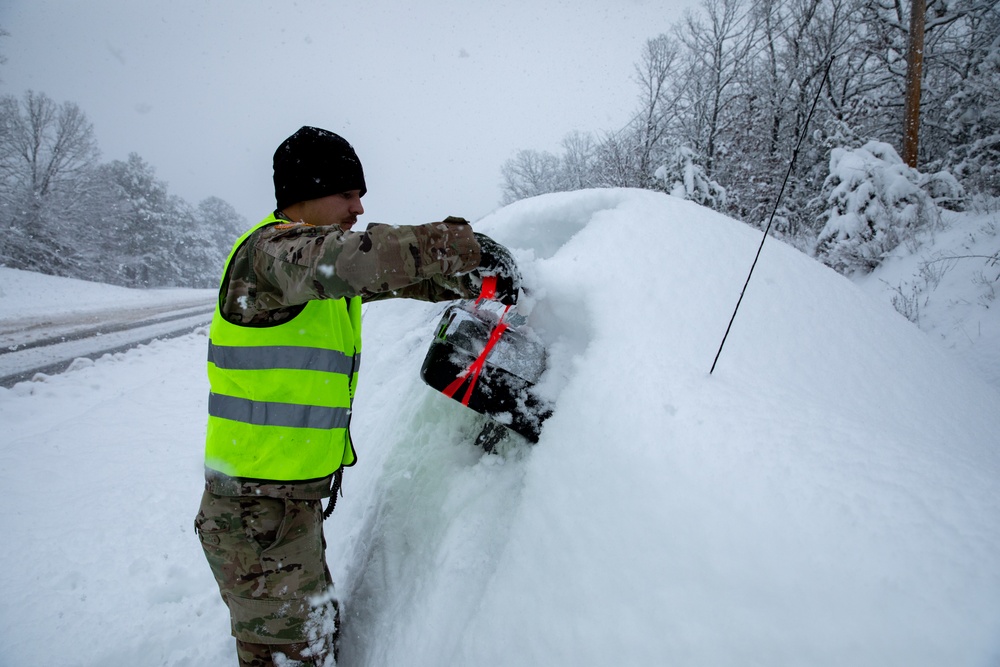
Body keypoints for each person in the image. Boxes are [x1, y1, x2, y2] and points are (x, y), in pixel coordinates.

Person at [194, 126, 519, 667]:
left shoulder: (309, 276)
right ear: (304, 193)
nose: (359, 205)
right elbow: (360, 260)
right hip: (254, 509)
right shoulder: (271, 256)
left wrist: (477, 281)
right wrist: (466, 244)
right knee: (288, 654)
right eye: (346, 193)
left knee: (311, 638)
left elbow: (395, 280)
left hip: (282, 504)